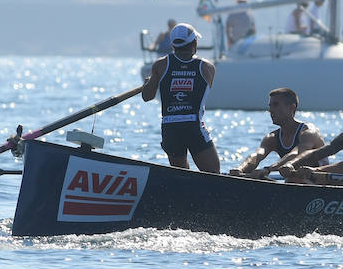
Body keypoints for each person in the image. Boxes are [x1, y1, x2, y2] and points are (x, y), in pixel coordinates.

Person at [140, 23, 219, 172]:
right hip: (193, 127)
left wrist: (150, 82)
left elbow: (147, 97)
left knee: (181, 176)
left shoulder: (160, 65)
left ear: (173, 44)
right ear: (194, 42)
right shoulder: (207, 67)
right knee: (214, 175)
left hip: (170, 128)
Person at [230, 87, 327, 178]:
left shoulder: (309, 132)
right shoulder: (272, 138)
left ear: (291, 108)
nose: (270, 110)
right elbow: (256, 156)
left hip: (320, 182)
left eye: (275, 105)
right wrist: (240, 169)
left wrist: (268, 169)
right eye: (270, 106)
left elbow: (297, 154)